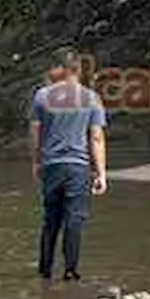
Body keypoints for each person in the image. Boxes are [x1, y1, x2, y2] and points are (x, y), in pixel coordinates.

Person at [30, 47, 107, 282]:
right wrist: (101, 172)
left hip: (52, 165)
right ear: (78, 70)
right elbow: (96, 137)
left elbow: (35, 132)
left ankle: (45, 270)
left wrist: (36, 162)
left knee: (50, 218)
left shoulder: (42, 96)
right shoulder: (91, 98)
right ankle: (70, 270)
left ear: (61, 69)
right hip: (78, 166)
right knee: (75, 219)